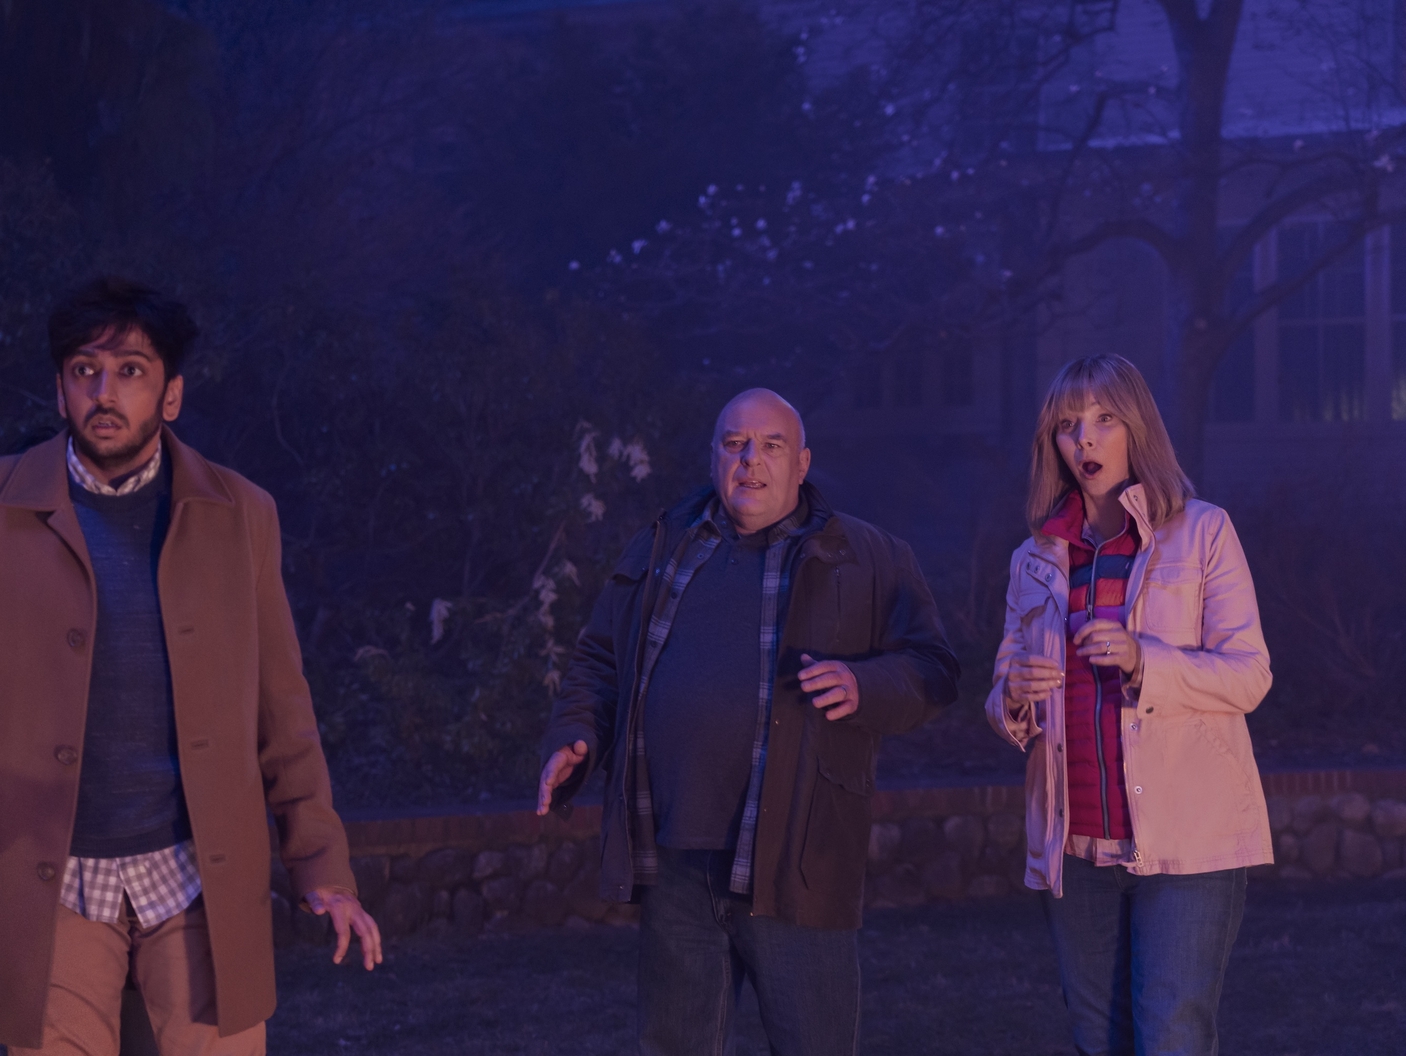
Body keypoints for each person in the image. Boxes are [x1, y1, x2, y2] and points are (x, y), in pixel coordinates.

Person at [0, 277, 382, 1055]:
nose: (103, 392)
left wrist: (322, 865)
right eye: (85, 370)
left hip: (193, 877)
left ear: (171, 394)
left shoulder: (241, 514)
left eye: (130, 371)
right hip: (48, 881)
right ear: (60, 388)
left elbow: (281, 706)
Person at [537, 388, 960, 1055]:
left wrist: (866, 683)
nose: (750, 461)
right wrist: (577, 735)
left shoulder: (868, 557)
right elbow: (600, 658)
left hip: (797, 863)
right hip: (675, 863)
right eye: (735, 444)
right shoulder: (662, 545)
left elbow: (934, 668)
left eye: (771, 445)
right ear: (713, 457)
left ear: (802, 463)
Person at [984, 354, 1272, 1055]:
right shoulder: (1034, 559)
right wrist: (1013, 694)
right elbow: (1002, 699)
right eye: (1067, 425)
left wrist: (1147, 660)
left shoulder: (1203, 531)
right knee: (1097, 1039)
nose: (1084, 438)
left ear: (1137, 427)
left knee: (1171, 1037)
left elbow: (1249, 676)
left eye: (1104, 418)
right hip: (1075, 846)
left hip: (1187, 843)